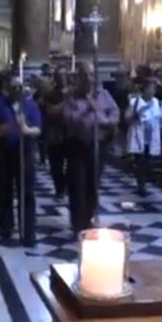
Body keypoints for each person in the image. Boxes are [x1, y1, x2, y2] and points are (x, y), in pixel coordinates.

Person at [63, 61, 120, 235]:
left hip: (98, 145)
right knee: (77, 184)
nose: (89, 78)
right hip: (78, 145)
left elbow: (115, 115)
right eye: (85, 75)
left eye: (91, 74)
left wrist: (102, 117)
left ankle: (87, 218)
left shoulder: (103, 95)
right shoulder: (71, 97)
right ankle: (78, 223)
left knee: (93, 184)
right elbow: (70, 119)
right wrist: (86, 109)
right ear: (78, 78)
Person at [0, 74, 42, 246]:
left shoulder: (30, 105)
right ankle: (6, 226)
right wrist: (13, 125)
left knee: (27, 192)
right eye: (14, 87)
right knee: (3, 190)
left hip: (24, 152)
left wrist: (26, 129)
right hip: (4, 152)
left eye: (20, 86)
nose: (17, 90)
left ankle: (28, 232)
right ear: (7, 88)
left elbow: (37, 129)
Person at [125, 77, 162, 196]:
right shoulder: (136, 102)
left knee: (149, 161)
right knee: (140, 160)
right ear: (145, 89)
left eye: (154, 88)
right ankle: (141, 185)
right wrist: (136, 113)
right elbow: (126, 117)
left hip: (152, 136)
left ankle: (144, 182)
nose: (153, 91)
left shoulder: (158, 103)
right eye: (151, 88)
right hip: (139, 135)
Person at [41, 67, 70, 199]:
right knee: (56, 165)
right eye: (59, 76)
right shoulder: (50, 93)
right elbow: (47, 110)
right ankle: (60, 189)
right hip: (55, 134)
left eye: (64, 75)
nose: (62, 78)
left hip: (70, 133)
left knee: (72, 164)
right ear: (56, 78)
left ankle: (67, 186)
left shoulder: (73, 92)